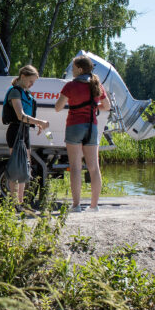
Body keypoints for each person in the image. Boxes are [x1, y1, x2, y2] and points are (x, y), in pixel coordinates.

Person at [55, 56, 111, 212]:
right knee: (94, 167)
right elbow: (107, 106)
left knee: (75, 167)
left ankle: (76, 205)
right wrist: (93, 107)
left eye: (73, 68)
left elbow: (58, 107)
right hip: (92, 127)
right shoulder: (97, 84)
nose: (72, 71)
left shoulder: (70, 86)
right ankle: (94, 206)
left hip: (74, 126)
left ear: (80, 69)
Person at [4, 65, 49, 208]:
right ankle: (13, 202)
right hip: (15, 132)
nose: (31, 85)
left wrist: (36, 125)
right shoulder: (15, 92)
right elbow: (20, 116)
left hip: (24, 132)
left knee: (25, 168)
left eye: (33, 82)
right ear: (22, 77)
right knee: (16, 167)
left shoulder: (26, 93)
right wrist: (39, 122)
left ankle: (20, 202)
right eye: (30, 81)